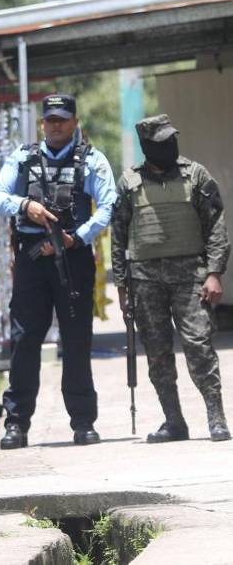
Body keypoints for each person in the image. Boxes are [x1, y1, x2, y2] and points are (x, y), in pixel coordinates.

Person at [0, 93, 117, 449]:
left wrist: (78, 237)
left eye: (62, 119)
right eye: (50, 120)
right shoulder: (23, 157)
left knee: (76, 341)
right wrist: (25, 205)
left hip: (73, 259)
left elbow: (108, 205)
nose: (56, 125)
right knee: (24, 341)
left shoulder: (92, 159)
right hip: (31, 259)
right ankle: (16, 424)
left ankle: (83, 422)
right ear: (42, 122)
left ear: (75, 121)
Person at [111, 114, 231, 443]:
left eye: (171, 140)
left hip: (190, 276)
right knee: (158, 353)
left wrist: (214, 272)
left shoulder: (196, 175)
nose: (170, 146)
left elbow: (216, 225)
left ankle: (216, 418)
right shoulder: (129, 183)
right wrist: (122, 285)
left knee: (198, 345)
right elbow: (118, 237)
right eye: (162, 143)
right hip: (145, 280)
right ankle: (174, 421)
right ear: (147, 146)